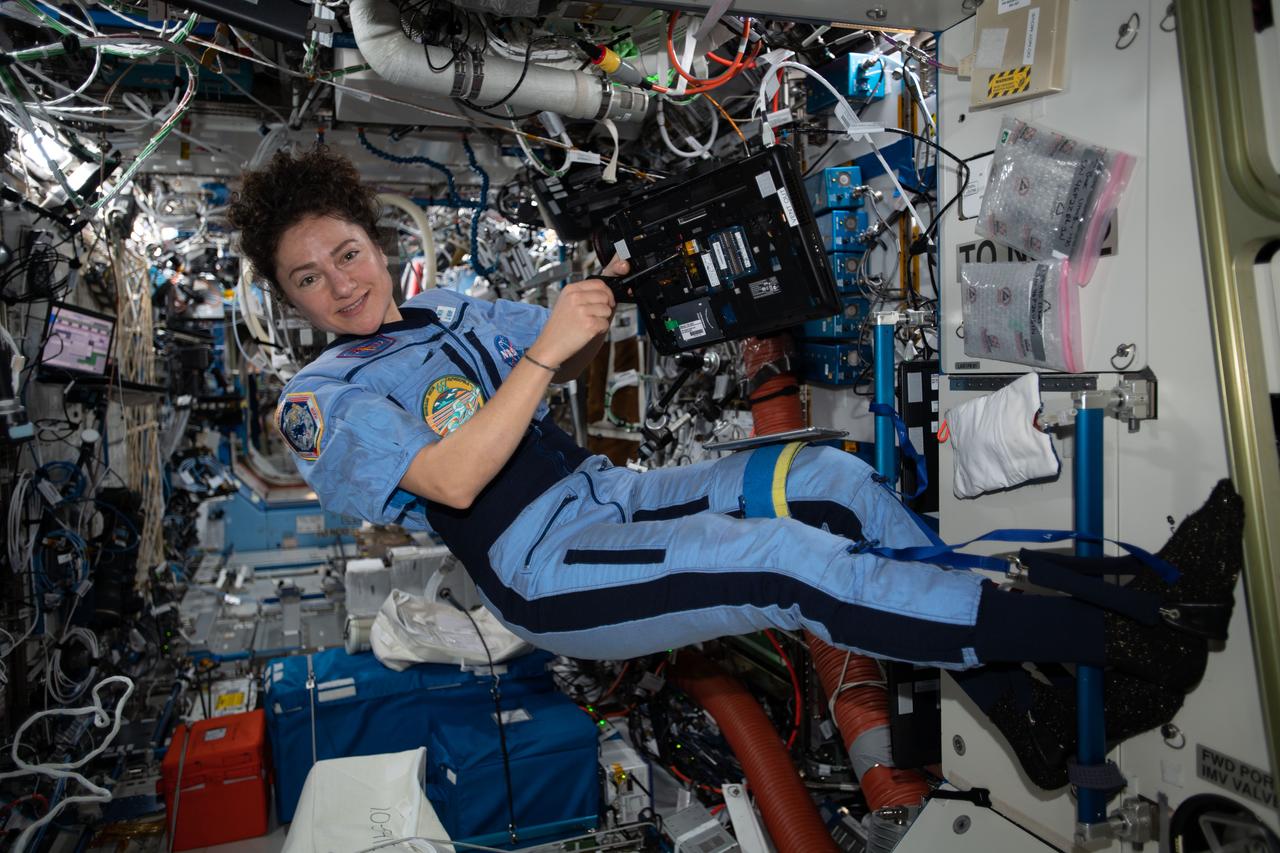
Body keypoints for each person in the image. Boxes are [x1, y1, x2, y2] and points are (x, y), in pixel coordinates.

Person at [228, 147, 1243, 789]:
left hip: (599, 495)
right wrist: (542, 354)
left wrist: (605, 293)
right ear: (290, 300)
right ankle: (1123, 637)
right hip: (542, 563)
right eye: (307, 279)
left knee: (829, 482)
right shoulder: (324, 402)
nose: (338, 285)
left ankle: (1019, 698)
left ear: (373, 239)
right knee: (785, 566)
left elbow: (561, 346)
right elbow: (450, 478)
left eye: (345, 253)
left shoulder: (446, 309)